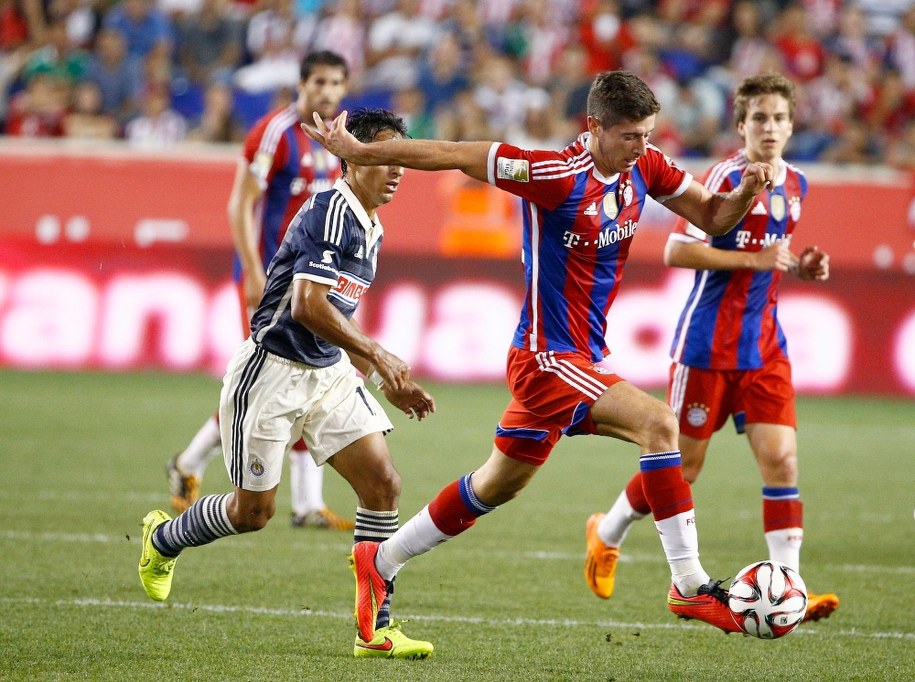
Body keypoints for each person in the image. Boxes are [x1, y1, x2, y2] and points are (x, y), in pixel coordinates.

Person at [305, 69, 777, 644]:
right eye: (630, 135)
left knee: (495, 485)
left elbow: (713, 216)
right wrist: (357, 149)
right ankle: (690, 583)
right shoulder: (552, 174)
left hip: (584, 357)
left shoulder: (645, 168)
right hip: (545, 358)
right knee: (659, 424)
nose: (642, 147)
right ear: (594, 127)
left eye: (648, 134)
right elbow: (455, 153)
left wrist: (747, 193)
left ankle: (379, 564)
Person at [139, 107, 436, 660]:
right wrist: (378, 354)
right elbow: (306, 305)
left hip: (328, 374)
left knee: (383, 486)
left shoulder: (372, 224)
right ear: (355, 158)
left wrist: (376, 372)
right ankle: (164, 539)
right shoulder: (329, 209)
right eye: (387, 157)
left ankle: (374, 629)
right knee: (252, 514)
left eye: (402, 161)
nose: (398, 170)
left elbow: (340, 309)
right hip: (272, 372)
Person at [585, 73, 839, 623]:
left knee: (781, 460)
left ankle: (791, 586)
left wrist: (802, 266)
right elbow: (678, 249)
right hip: (708, 345)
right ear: (741, 126)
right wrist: (755, 260)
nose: (769, 128)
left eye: (778, 118)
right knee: (687, 466)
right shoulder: (726, 177)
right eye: (759, 119)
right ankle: (606, 531)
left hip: (766, 345)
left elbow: (773, 254)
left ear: (792, 126)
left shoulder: (797, 184)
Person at [166, 51, 354, 531]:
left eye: (337, 83)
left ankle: (298, 501)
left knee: (301, 382)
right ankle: (196, 466)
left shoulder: (339, 141)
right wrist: (253, 271)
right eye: (320, 82)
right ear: (302, 83)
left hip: (312, 280)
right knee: (275, 382)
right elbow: (240, 205)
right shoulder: (274, 133)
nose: (328, 92)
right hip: (273, 284)